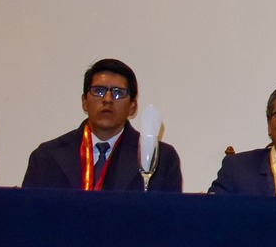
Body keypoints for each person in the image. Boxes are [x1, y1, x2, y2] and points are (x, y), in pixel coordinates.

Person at [21, 59, 183, 192]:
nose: (107, 99)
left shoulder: (161, 158)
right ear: (84, 102)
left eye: (118, 93)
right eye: (98, 91)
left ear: (133, 105)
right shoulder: (47, 156)